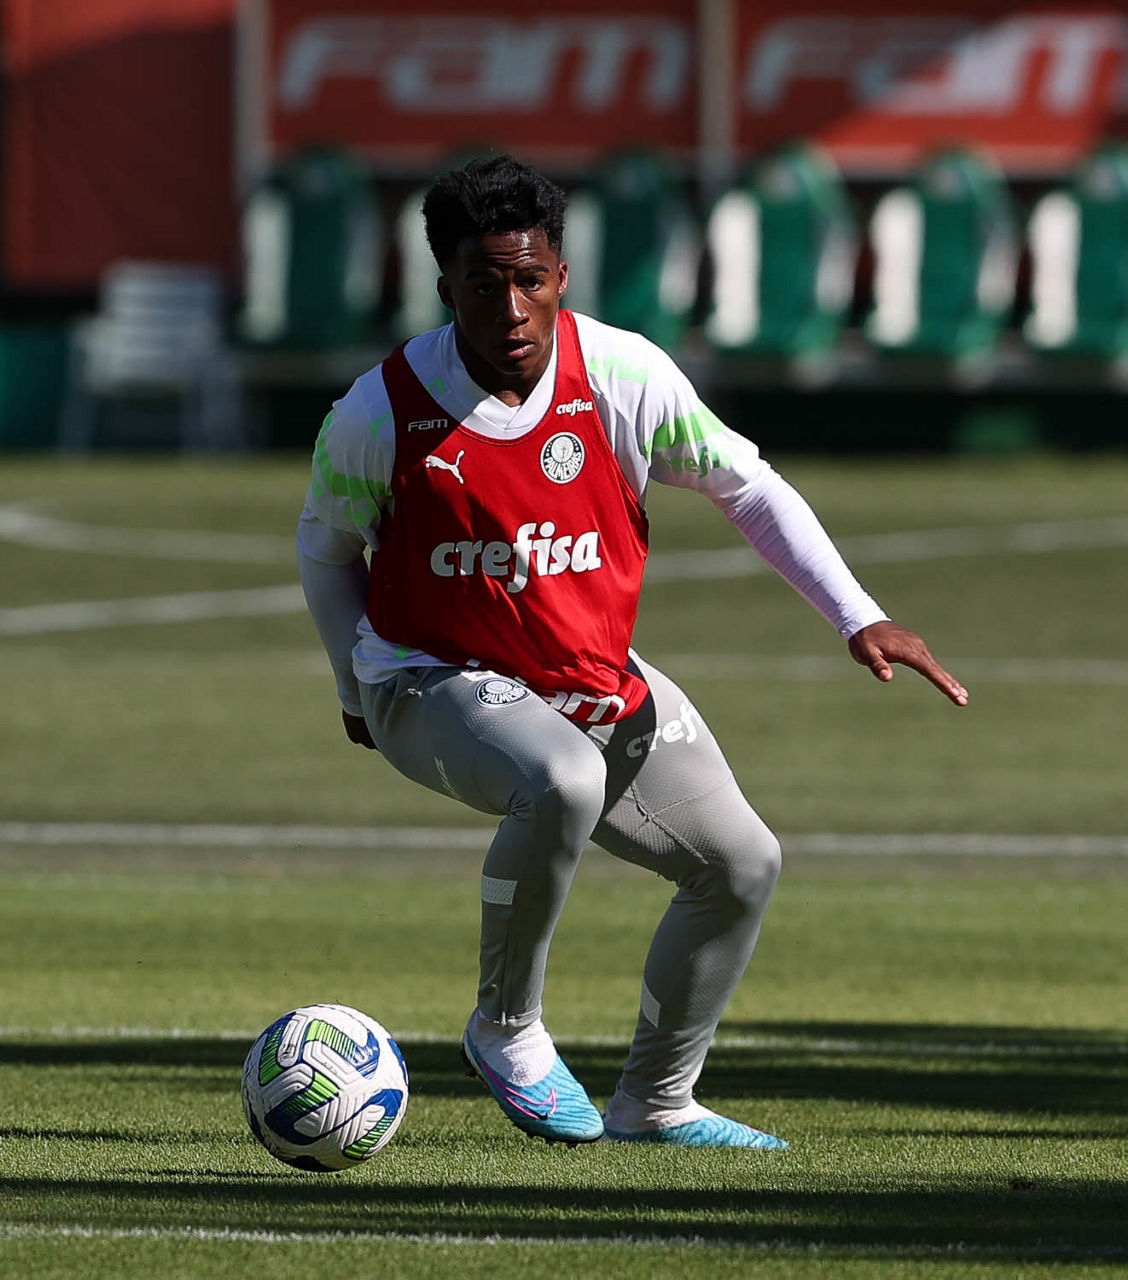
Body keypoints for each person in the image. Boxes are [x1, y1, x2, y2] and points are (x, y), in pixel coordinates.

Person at [297, 155, 968, 1150]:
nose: (511, 309)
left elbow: (749, 486)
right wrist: (356, 689)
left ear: (560, 277)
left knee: (742, 864)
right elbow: (325, 548)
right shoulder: (379, 409)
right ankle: (506, 1027)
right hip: (428, 678)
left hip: (593, 683)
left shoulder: (624, 374)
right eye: (484, 286)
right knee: (562, 778)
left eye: (531, 281)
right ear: (446, 290)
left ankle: (656, 1100)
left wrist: (856, 614)